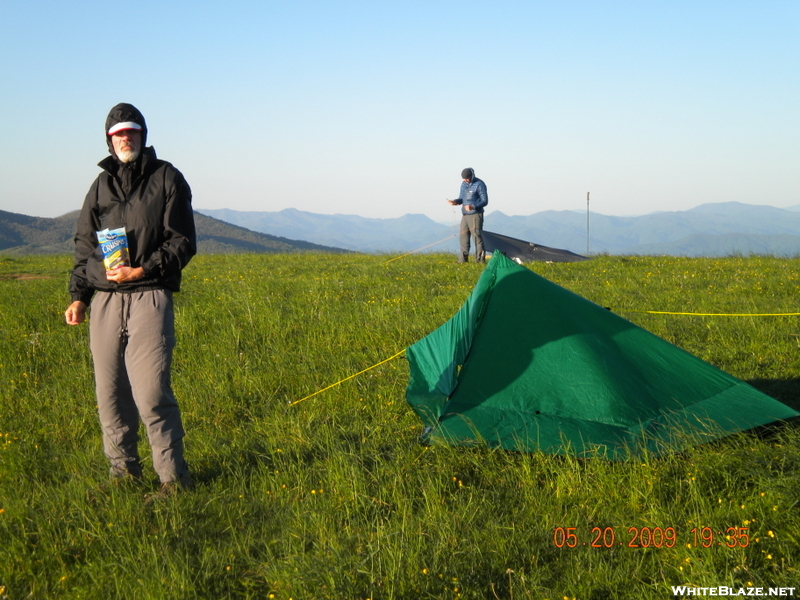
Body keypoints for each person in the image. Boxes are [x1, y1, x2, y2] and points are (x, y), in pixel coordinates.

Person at [65, 103, 196, 497]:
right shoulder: (100, 186)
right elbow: (85, 244)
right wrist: (79, 297)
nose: (126, 138)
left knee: (151, 391)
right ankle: (123, 475)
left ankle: (173, 479)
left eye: (132, 132)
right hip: (104, 299)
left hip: (149, 295)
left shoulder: (167, 177)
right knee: (109, 391)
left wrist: (142, 270)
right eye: (119, 133)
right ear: (109, 139)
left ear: (143, 135)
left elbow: (183, 241)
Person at [448, 168, 488, 263]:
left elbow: (485, 201)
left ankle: (479, 261)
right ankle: (462, 261)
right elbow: (462, 198)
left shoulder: (480, 184)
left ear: (472, 176)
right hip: (465, 215)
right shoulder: (463, 184)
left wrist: (473, 206)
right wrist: (455, 202)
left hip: (475, 214)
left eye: (467, 178)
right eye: (464, 179)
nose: (465, 180)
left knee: (477, 237)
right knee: (463, 237)